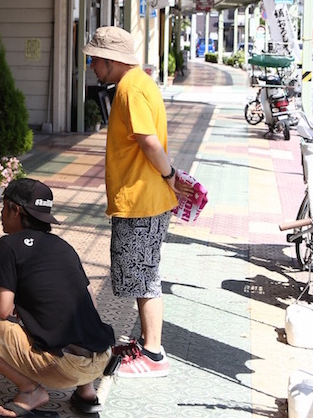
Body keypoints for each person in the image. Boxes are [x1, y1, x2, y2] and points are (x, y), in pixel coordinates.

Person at [0, 178, 115, 417]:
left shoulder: (8, 245)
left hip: (64, 368)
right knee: (74, 316)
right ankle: (86, 393)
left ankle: (30, 390)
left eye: (3, 207)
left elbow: (2, 309)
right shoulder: (64, 246)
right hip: (102, 357)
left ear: (15, 210)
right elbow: (88, 301)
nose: (0, 213)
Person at [84, 26, 191, 378]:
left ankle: (154, 353)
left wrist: (170, 175)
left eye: (94, 60)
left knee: (144, 278)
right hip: (143, 198)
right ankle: (147, 343)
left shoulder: (130, 89)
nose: (91, 67)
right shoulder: (137, 83)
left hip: (142, 199)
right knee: (145, 274)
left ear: (112, 60)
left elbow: (147, 141)